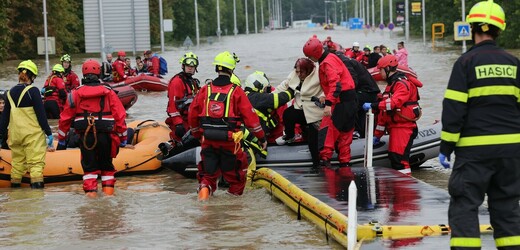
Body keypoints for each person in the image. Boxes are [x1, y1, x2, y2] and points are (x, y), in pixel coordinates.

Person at [438, 1, 520, 248]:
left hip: (474, 153)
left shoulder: (465, 63)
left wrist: (446, 148)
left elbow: (454, 110)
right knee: (508, 207)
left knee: (464, 204)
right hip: (511, 153)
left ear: (472, 27)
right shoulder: (514, 64)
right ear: (499, 29)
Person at [188, 51, 267, 201]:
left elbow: (192, 113)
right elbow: (251, 118)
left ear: (216, 68)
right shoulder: (236, 92)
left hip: (208, 140)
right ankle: (232, 213)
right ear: (231, 70)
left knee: (208, 176)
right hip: (230, 143)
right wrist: (261, 138)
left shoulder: (205, 89)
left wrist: (198, 135)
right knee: (236, 178)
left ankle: (204, 199)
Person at [57, 59, 128, 197]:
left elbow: (64, 119)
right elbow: (120, 116)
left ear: (83, 74)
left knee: (89, 169)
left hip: (85, 137)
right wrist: (123, 137)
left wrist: (61, 139)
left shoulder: (74, 94)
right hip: (106, 136)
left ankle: (91, 201)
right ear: (99, 73)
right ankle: (108, 197)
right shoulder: (109, 92)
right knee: (107, 168)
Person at [303, 36, 357, 169]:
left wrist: (328, 104)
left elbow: (336, 85)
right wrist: (326, 96)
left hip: (340, 103)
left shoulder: (326, 63)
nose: (310, 59)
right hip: (350, 101)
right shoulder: (332, 57)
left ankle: (325, 168)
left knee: (326, 135)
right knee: (345, 136)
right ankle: (345, 166)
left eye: (310, 57)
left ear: (314, 54)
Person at [362, 55, 422, 176]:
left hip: (404, 127)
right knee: (395, 159)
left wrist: (373, 105)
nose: (379, 73)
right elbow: (384, 114)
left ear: (388, 68)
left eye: (381, 70)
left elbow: (394, 103)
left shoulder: (402, 84)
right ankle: (401, 188)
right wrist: (377, 135)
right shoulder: (390, 86)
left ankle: (405, 189)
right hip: (396, 128)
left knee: (400, 160)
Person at [0, 60, 53, 188]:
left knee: (17, 165)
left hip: (15, 135)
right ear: (33, 76)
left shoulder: (10, 92)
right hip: (32, 135)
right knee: (35, 165)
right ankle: (36, 197)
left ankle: (16, 193)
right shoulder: (33, 91)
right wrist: (48, 133)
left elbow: (4, 118)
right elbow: (41, 116)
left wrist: (1, 135)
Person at [274, 58, 323, 170]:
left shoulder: (319, 74)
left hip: (315, 112)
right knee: (288, 114)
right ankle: (290, 136)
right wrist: (270, 97)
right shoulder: (294, 75)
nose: (299, 74)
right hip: (301, 108)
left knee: (313, 140)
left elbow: (328, 87)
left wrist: (324, 98)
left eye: (302, 72)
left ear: (309, 71)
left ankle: (317, 164)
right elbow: (283, 86)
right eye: (297, 72)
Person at [243, 70, 293, 143]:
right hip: (257, 137)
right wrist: (293, 90)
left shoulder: (244, 95)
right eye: (265, 88)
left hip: (247, 134)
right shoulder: (258, 98)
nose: (266, 91)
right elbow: (280, 99)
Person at [165, 52, 200, 141]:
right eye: (188, 65)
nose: (190, 67)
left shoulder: (193, 82)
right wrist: (178, 124)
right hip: (181, 121)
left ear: (195, 68)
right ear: (183, 66)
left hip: (191, 121)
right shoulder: (177, 82)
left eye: (193, 65)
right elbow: (173, 105)